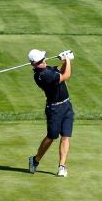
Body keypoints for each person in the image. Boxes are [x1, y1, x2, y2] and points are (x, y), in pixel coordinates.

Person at [27, 48, 75, 178]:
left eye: (43, 58)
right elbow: (66, 76)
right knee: (52, 137)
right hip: (54, 109)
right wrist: (68, 60)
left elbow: (60, 71)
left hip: (66, 105)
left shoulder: (48, 70)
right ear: (34, 64)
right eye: (40, 61)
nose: (44, 61)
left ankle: (62, 166)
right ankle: (35, 160)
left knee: (66, 136)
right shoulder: (42, 76)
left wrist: (63, 61)